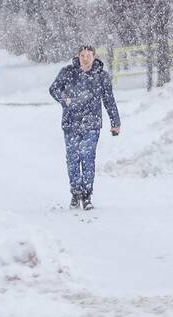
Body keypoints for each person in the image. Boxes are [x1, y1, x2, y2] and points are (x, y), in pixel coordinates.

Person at [48, 45, 120, 211]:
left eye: (88, 55)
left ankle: (87, 195)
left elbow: (109, 100)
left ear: (94, 57)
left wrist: (115, 123)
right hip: (71, 123)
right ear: (78, 56)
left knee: (87, 158)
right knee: (73, 160)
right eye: (82, 55)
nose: (85, 58)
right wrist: (64, 98)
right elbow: (54, 89)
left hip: (92, 124)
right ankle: (75, 193)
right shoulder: (68, 72)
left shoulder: (101, 76)